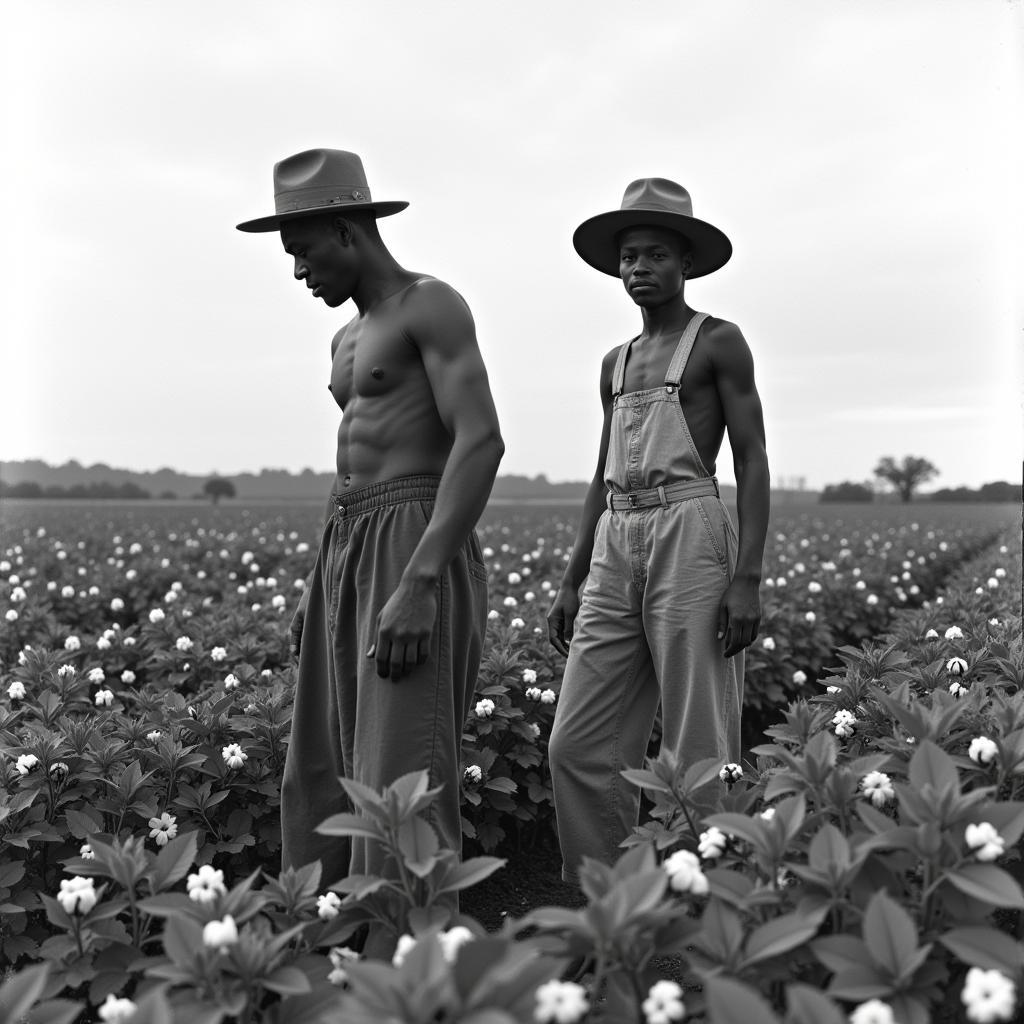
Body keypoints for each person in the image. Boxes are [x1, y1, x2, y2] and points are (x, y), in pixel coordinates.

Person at [237, 149, 504, 932]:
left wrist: (421, 581)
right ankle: (330, 953)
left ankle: (408, 971)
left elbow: (480, 442)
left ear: (347, 230)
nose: (297, 273)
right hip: (348, 543)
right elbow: (350, 468)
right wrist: (316, 585)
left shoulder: (432, 305)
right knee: (318, 765)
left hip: (412, 540)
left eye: (303, 251)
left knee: (401, 775)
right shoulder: (344, 339)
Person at [546, 177, 769, 882]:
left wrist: (748, 577)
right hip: (618, 534)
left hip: (689, 530)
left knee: (699, 737)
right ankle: (608, 898)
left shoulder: (718, 343)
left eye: (654, 255)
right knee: (576, 743)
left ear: (686, 264)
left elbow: (753, 459)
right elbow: (600, 470)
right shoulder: (614, 363)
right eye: (627, 258)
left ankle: (713, 896)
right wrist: (571, 575)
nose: (637, 268)